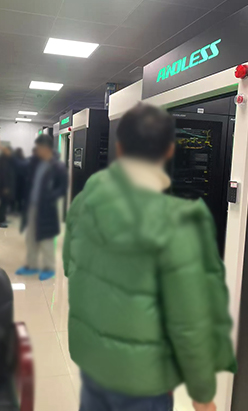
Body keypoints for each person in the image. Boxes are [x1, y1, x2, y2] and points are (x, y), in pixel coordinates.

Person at [63, 104, 236, 411]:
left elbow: (70, 266)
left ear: (120, 148)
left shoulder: (85, 201)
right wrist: (202, 395)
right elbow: (189, 320)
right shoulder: (179, 223)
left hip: (94, 363)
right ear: (169, 150)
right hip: (144, 377)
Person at [16, 134, 66, 281]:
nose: (36, 150)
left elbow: (62, 188)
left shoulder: (57, 167)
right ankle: (32, 266)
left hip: (47, 209)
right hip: (32, 206)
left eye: (38, 148)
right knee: (31, 238)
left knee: (46, 239)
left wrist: (49, 197)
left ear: (46, 148)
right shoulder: (36, 164)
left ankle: (49, 268)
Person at [0, 145, 15, 228]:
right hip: (4, 187)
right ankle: (0, 221)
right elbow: (3, 175)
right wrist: (6, 187)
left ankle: (2, 219)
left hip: (5, 186)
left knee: (4, 204)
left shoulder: (5, 159)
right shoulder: (3, 160)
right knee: (3, 204)